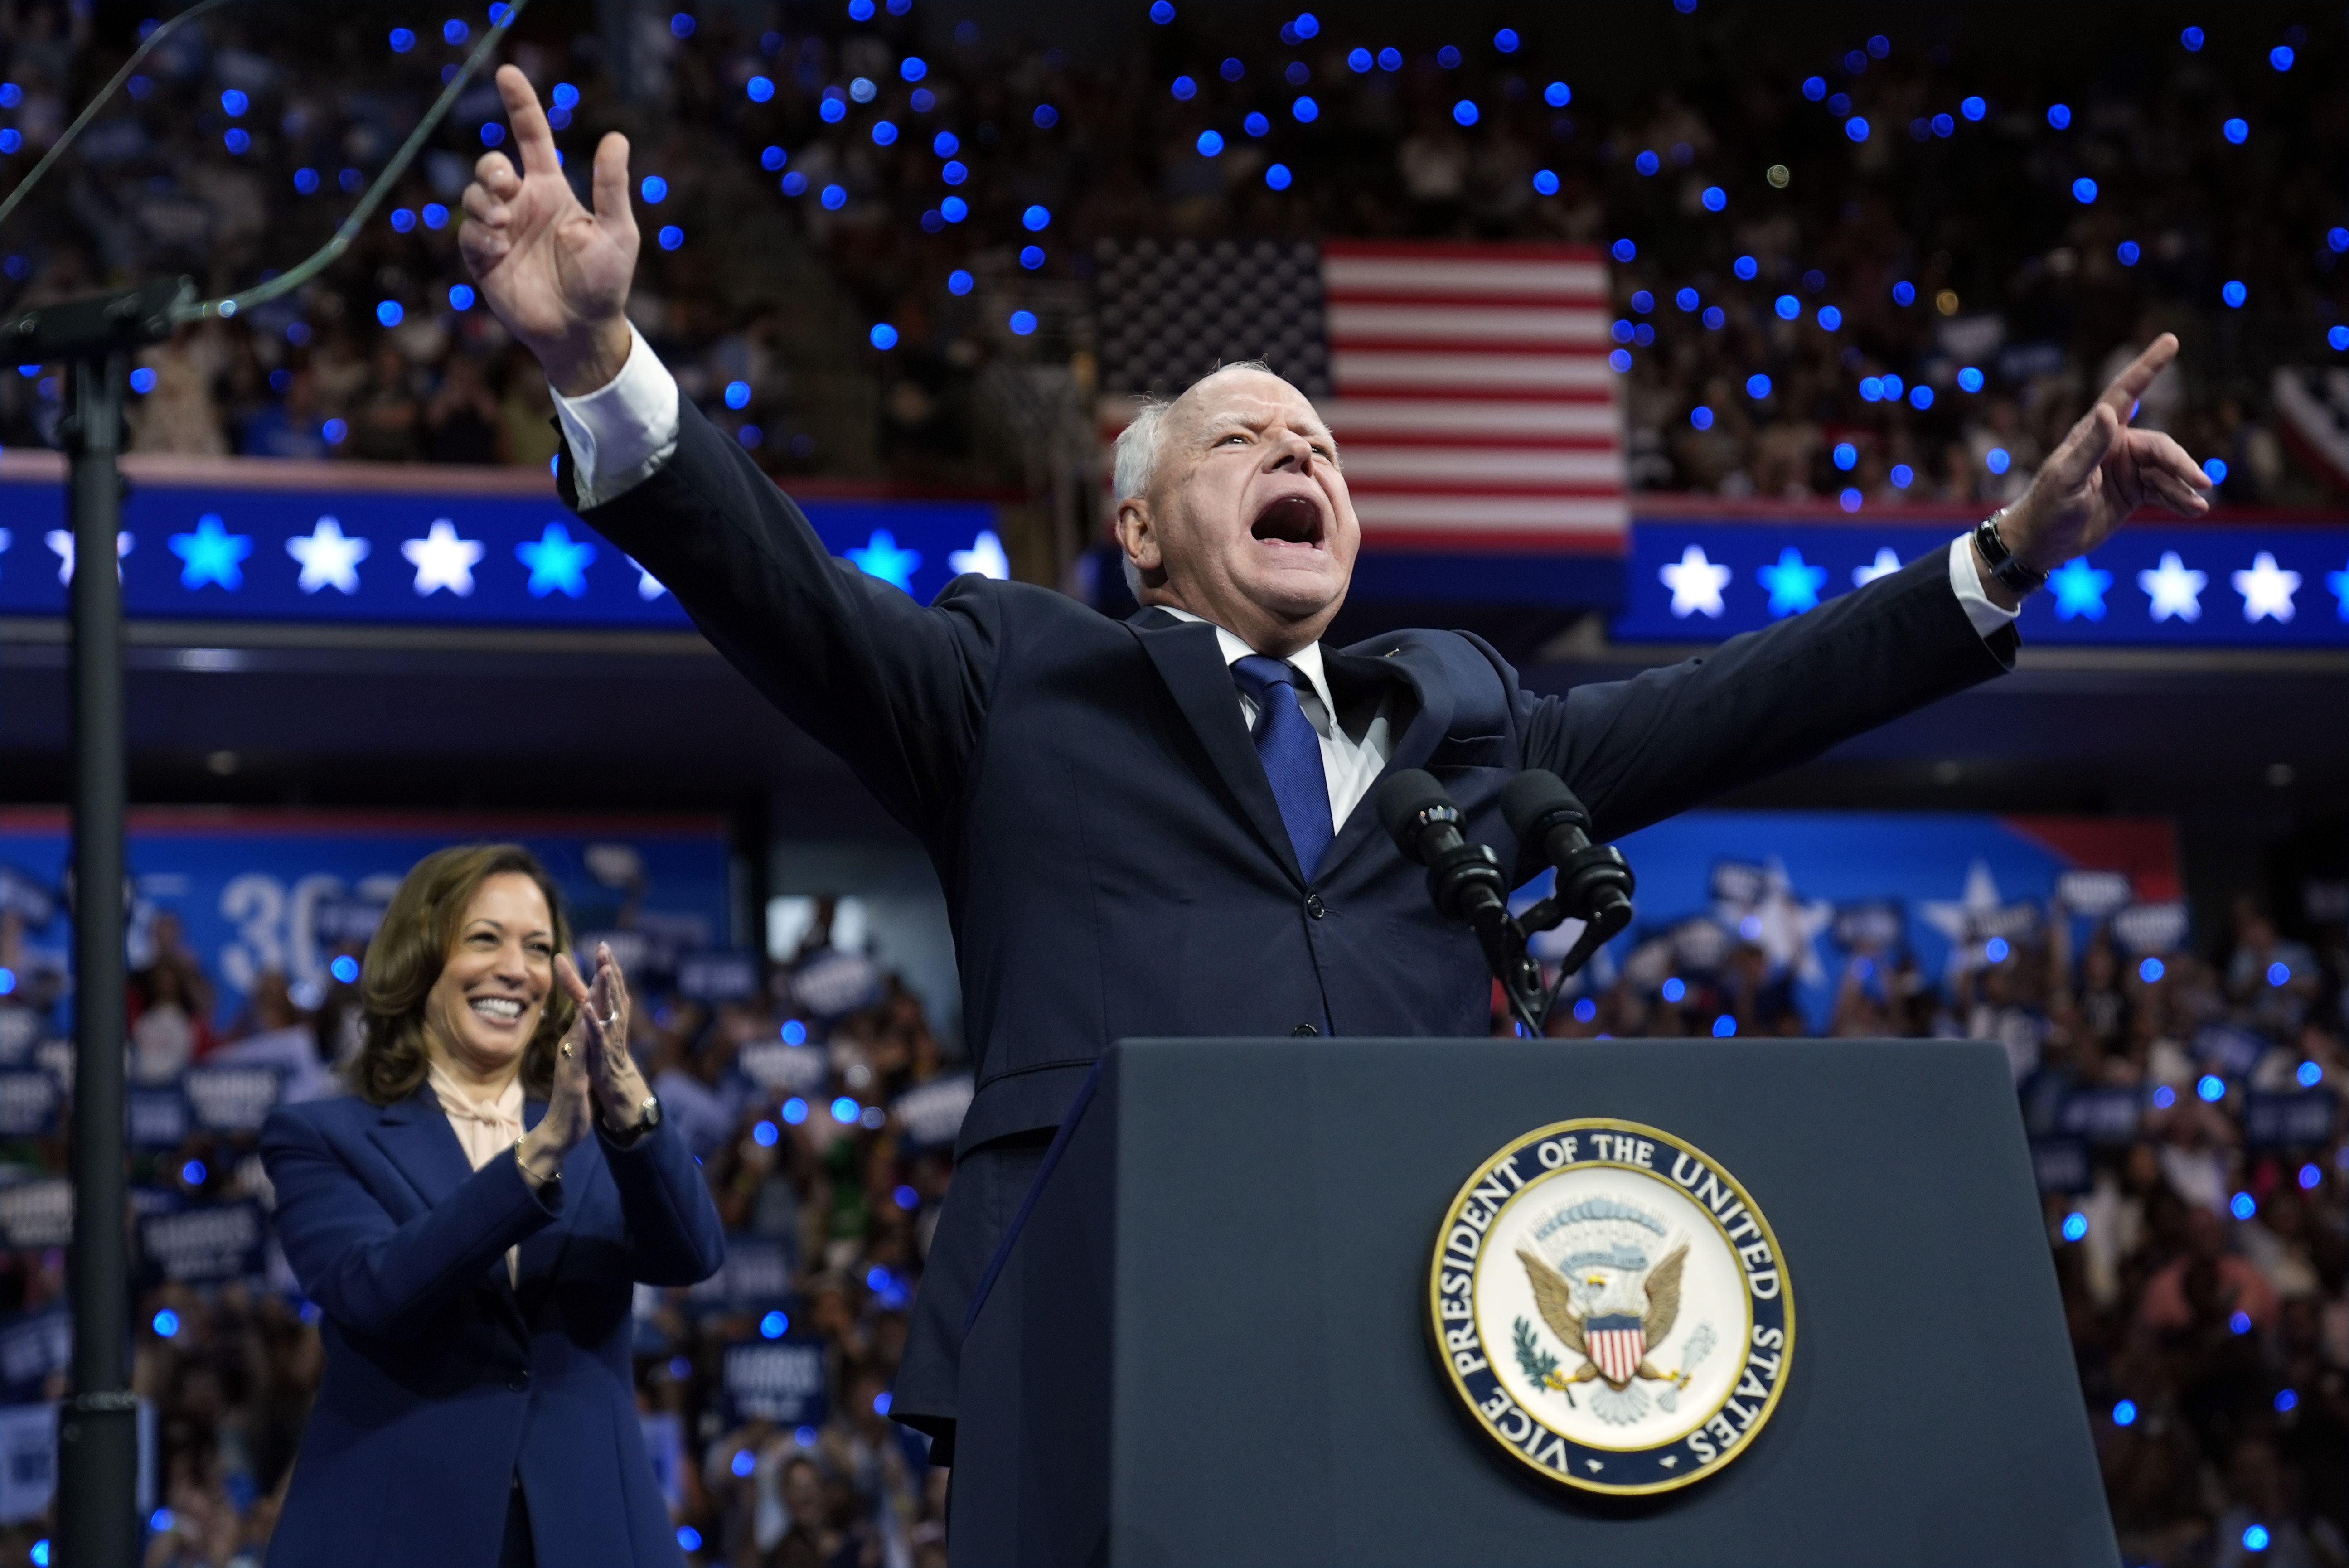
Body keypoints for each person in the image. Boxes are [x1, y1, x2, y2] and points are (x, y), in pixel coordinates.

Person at [456, 64, 2214, 1462]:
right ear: (1140, 530)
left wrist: (2005, 555)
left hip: (1429, 1338)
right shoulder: (1019, 678)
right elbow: (784, 588)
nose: (1301, 452)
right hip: (1100, 1324)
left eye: (1321, 446)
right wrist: (597, 359)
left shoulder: (1463, 714)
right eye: (1246, 438)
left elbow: (1746, 697)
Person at [258, 844, 726, 1566]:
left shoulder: (607, 1130)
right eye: (485, 939)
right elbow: (374, 1290)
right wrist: (540, 1154)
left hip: (592, 1532)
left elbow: (692, 1255)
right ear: (420, 958)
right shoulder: (322, 1134)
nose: (516, 968)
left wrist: (628, 1095)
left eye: (538, 948)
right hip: (401, 1532)